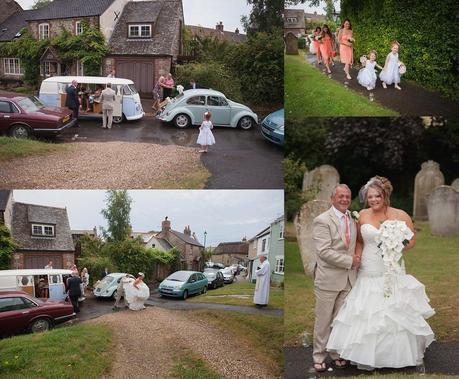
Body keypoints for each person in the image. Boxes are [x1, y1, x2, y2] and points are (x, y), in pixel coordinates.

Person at [326, 176, 435, 370]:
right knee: (365, 308)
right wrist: (357, 258)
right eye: (370, 197)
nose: (374, 200)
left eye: (377, 196)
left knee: (393, 307)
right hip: (369, 266)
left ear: (385, 196)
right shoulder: (362, 215)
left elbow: (411, 240)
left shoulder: (400, 215)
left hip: (391, 267)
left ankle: (395, 354)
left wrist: (395, 247)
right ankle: (362, 352)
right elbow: (360, 241)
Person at [311, 184, 359, 372]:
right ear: (332, 198)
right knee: (323, 321)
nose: (345, 199)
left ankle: (337, 354)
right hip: (328, 279)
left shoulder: (352, 218)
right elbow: (323, 252)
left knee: (340, 320)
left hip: (349, 280)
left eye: (347, 196)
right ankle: (319, 355)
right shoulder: (322, 220)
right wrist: (350, 261)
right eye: (341, 196)